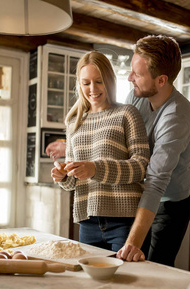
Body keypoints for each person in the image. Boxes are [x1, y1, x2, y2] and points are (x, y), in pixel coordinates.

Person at [50, 51, 150, 252]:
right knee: (90, 282)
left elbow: (141, 166)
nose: (92, 89)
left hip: (125, 221)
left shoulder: (127, 113)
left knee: (125, 280)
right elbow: (73, 181)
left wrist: (96, 169)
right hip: (87, 222)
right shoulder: (73, 122)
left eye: (99, 81)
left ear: (110, 81)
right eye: (86, 83)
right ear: (79, 84)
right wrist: (63, 176)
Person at [116, 35, 190, 267]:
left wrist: (133, 242)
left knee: (155, 267)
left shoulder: (176, 117)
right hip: (141, 195)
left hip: (171, 204)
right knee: (132, 266)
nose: (130, 78)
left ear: (161, 80)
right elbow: (120, 136)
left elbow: (156, 182)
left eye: (137, 74)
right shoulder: (136, 95)